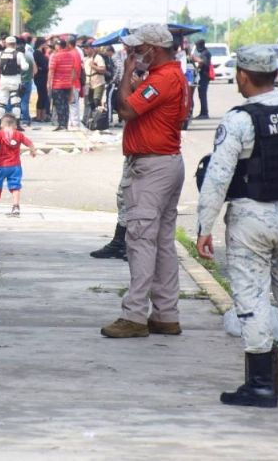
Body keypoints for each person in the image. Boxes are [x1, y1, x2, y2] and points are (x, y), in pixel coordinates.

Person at [196, 45, 278, 408]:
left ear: (243, 75)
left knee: (252, 296)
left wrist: (204, 226)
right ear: (277, 75)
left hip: (251, 220)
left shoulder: (239, 120)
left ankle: (261, 385)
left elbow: (218, 177)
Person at [101, 24, 189, 338]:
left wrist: (126, 74)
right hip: (166, 163)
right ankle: (166, 314)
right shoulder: (171, 76)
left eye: (139, 49)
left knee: (139, 240)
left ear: (156, 48)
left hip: (151, 167)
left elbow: (126, 109)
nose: (135, 54)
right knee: (162, 241)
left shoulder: (163, 78)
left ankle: (134, 316)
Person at [0, 35, 30, 120]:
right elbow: (25, 67)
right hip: (15, 80)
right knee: (16, 102)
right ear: (15, 44)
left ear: (6, 44)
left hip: (3, 80)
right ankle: (17, 123)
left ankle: (0, 123)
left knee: (2, 103)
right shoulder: (18, 54)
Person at [47, 38, 76, 131]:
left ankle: (61, 124)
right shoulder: (71, 56)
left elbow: (51, 70)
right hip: (67, 84)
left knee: (59, 105)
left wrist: (48, 83)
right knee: (66, 104)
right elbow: (73, 71)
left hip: (58, 84)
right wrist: (71, 83)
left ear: (58, 46)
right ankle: (65, 124)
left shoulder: (56, 56)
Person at [82, 43, 107, 129]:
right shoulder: (85, 59)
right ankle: (89, 119)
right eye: (84, 48)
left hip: (98, 82)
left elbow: (103, 69)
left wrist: (93, 66)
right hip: (88, 83)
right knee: (89, 102)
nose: (85, 50)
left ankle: (97, 120)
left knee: (96, 101)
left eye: (87, 48)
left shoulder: (98, 58)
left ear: (91, 48)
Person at [193, 39, 212, 119]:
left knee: (202, 95)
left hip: (204, 76)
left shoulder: (205, 53)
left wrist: (198, 67)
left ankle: (204, 113)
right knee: (202, 95)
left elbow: (204, 63)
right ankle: (203, 112)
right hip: (204, 76)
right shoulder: (205, 52)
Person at [32, 37, 51, 123]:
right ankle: (39, 116)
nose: (46, 44)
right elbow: (38, 66)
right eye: (45, 43)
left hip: (44, 76)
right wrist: (42, 68)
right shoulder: (36, 53)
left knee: (44, 96)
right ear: (41, 43)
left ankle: (43, 115)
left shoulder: (42, 53)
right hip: (39, 77)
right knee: (41, 95)